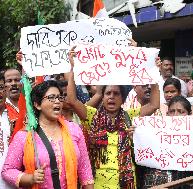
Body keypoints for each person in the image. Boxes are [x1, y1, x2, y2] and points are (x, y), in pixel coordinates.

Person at [67, 47, 160, 188]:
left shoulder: (130, 116)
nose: (111, 97)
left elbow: (154, 105)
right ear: (102, 97)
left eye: (116, 94)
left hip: (126, 182)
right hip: (97, 183)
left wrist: (154, 73)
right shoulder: (92, 115)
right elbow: (72, 101)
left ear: (123, 99)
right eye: (108, 93)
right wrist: (73, 69)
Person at [2, 80, 94, 189]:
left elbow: (85, 171)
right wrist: (30, 178)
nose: (57, 101)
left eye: (59, 97)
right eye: (51, 97)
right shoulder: (24, 136)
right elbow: (7, 171)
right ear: (37, 105)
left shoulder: (74, 129)